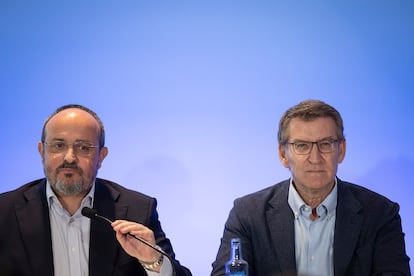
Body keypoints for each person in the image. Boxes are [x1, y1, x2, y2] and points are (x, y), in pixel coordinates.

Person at [211, 100, 411, 275]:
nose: (315, 158)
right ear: (283, 154)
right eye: (302, 146)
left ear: (341, 150)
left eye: (325, 144)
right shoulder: (248, 214)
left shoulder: (380, 214)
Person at [0, 104, 192, 276]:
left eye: (84, 148)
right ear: (42, 152)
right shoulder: (4, 212)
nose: (69, 157)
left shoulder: (137, 209)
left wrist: (152, 261)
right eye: (58, 145)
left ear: (101, 155)